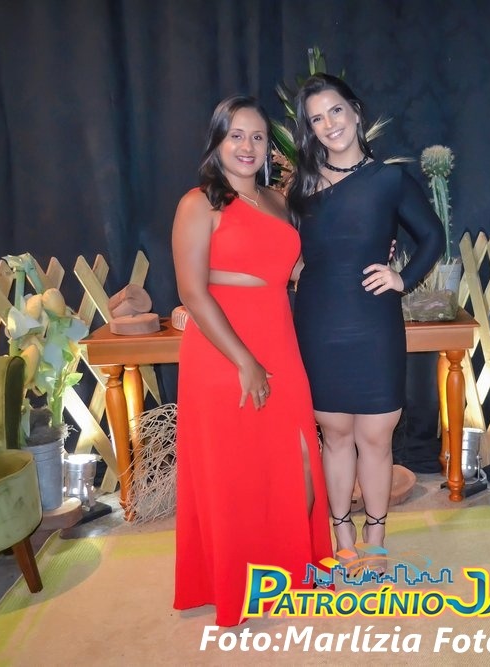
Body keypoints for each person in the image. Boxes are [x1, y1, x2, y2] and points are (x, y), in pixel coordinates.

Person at [171, 95, 332, 626]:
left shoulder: (278, 202)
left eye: (258, 137)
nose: (248, 146)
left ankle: (283, 570)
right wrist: (245, 360)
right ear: (217, 141)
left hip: (279, 337)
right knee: (235, 474)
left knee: (299, 459)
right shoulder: (199, 203)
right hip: (224, 349)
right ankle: (240, 583)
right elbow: (193, 292)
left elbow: (293, 269)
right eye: (236, 135)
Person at [287, 74, 444, 556]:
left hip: (374, 323)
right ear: (310, 130)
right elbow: (284, 250)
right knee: (335, 436)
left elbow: (433, 236)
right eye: (317, 118)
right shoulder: (299, 190)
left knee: (376, 436)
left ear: (355, 112)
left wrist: (403, 277)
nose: (329, 124)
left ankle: (375, 539)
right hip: (319, 323)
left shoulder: (389, 180)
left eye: (335, 110)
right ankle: (342, 537)